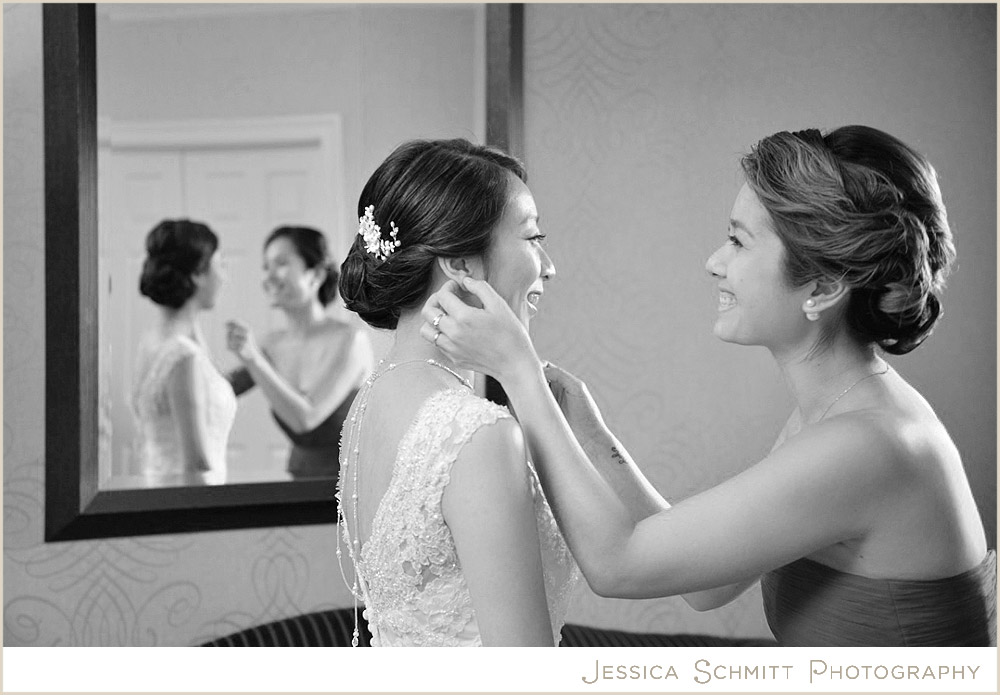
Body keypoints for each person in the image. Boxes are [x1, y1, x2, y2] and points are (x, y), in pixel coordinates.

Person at [422, 126, 996, 646]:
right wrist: (590, 433)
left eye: (740, 242)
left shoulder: (869, 444)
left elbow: (617, 566)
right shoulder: (838, 412)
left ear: (820, 287)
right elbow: (708, 587)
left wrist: (519, 373)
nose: (714, 262)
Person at [332, 137, 588, 647]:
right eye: (533, 238)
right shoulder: (476, 435)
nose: (549, 265)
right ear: (461, 263)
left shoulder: (370, 404)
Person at [226, 226, 374, 480]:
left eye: (281, 263)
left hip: (352, 488)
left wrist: (253, 359)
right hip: (297, 485)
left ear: (315, 274)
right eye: (266, 267)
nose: (269, 277)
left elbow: (306, 419)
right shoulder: (269, 347)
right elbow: (217, 390)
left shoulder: (351, 341)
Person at [132, 219, 236, 487]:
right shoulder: (183, 357)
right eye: (219, 265)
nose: (223, 276)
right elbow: (197, 463)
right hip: (193, 500)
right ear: (198, 274)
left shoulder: (151, 343)